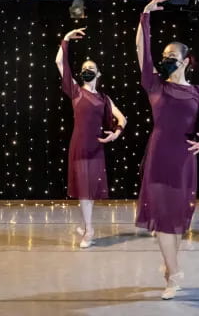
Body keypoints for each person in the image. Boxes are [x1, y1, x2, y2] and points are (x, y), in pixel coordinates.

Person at [135, 0, 199, 299]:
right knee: (163, 218)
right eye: (164, 54)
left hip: (185, 161)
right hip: (158, 158)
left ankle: (169, 267)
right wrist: (145, 17)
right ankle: (174, 275)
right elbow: (141, 49)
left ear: (186, 60)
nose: (166, 58)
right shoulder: (155, 85)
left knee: (175, 219)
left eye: (172, 54)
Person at [55, 27, 127, 248]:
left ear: (98, 74)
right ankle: (88, 230)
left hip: (96, 148)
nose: (87, 71)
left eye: (91, 69)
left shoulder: (105, 98)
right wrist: (66, 39)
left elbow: (122, 119)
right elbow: (60, 63)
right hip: (79, 146)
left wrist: (115, 133)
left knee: (89, 193)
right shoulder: (76, 90)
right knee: (83, 192)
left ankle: (87, 225)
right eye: (84, 68)